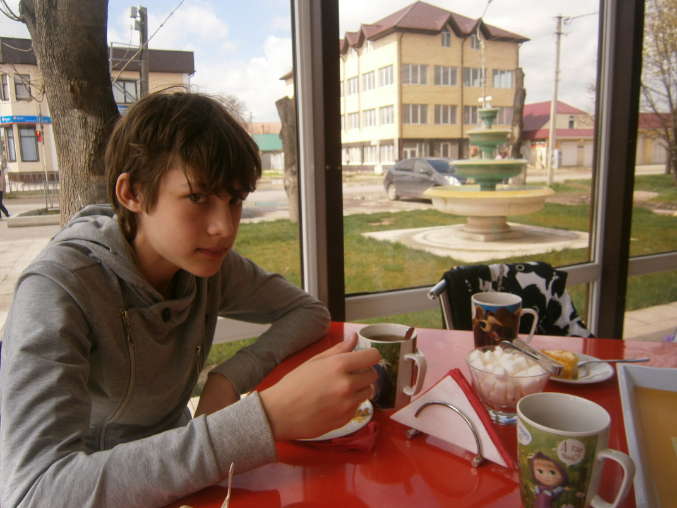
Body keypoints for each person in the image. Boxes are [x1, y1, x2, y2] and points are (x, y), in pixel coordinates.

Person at [0, 91, 379, 508]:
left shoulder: (207, 264)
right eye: (198, 197)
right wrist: (264, 420)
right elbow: (32, 493)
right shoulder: (58, 288)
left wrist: (229, 377)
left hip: (186, 484)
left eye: (235, 200)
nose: (224, 227)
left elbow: (308, 311)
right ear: (132, 193)